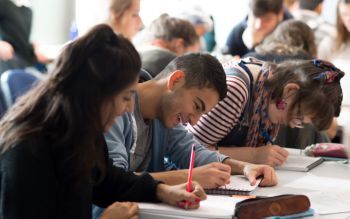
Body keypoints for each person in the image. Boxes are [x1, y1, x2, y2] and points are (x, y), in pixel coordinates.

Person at [0, 24, 207, 218]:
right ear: (97, 94)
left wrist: (162, 191)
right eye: (126, 97)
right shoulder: (28, 150)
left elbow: (105, 179)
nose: (129, 108)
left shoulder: (80, 128)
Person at [105, 53, 277, 189]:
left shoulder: (164, 116)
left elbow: (192, 152)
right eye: (197, 106)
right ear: (175, 80)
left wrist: (245, 167)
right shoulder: (115, 105)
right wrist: (190, 177)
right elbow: (114, 182)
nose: (194, 123)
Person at [187, 57, 344, 167]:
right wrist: (254, 155)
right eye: (298, 116)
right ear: (290, 90)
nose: (292, 124)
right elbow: (189, 152)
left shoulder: (267, 86)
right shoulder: (236, 91)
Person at [243, 19, 333, 148]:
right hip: (289, 145)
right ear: (309, 44)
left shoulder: (250, 56)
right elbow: (330, 127)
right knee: (310, 122)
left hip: (250, 139)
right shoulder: (305, 66)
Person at [222, 0, 292, 57]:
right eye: (255, 17)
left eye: (266, 19)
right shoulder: (238, 32)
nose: (258, 25)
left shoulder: (292, 32)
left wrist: (255, 48)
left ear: (280, 14)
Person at [0, 0, 47, 73]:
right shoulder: (3, 3)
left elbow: (21, 38)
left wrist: (35, 47)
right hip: (8, 59)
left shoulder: (28, 10)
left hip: (25, 59)